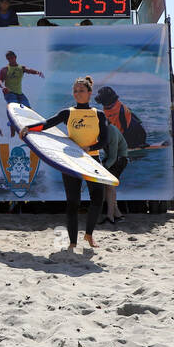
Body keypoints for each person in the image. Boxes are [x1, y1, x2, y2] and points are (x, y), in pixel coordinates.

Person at [20, 75, 107, 250]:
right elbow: (46, 124)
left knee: (98, 199)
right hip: (71, 161)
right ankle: (73, 242)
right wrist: (28, 128)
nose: (77, 93)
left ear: (90, 93)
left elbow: (104, 141)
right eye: (75, 91)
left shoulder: (99, 114)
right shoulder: (68, 113)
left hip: (93, 160)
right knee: (73, 202)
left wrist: (90, 149)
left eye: (81, 90)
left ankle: (89, 234)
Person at [0, 51, 45, 136]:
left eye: (12, 58)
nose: (11, 60)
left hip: (19, 93)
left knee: (28, 109)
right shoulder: (5, 69)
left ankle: (29, 130)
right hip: (10, 93)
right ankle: (12, 135)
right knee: (14, 111)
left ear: (15, 57)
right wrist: (3, 87)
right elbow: (0, 80)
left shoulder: (21, 68)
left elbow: (29, 70)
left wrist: (38, 72)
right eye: (9, 59)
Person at [99, 122, 129, 223]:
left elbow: (113, 157)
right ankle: (117, 215)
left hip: (119, 159)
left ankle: (110, 216)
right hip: (110, 158)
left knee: (110, 186)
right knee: (107, 186)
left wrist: (104, 168)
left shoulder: (111, 131)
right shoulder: (98, 130)